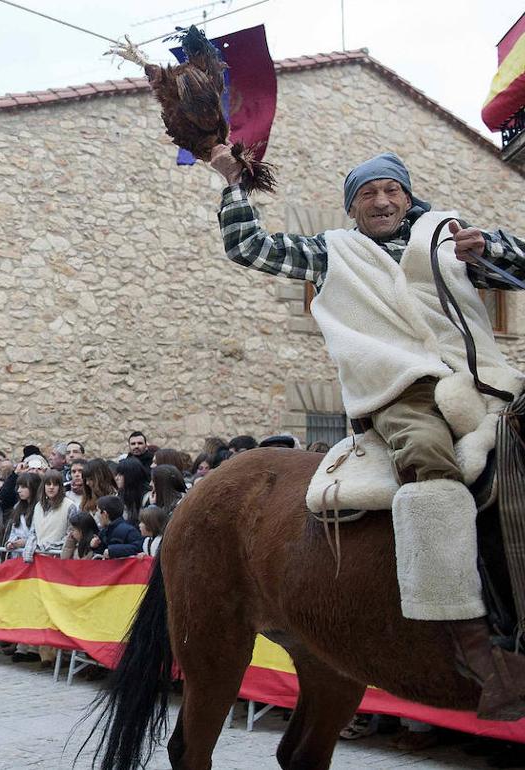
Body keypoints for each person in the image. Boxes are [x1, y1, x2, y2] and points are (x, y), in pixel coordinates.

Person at [211, 144, 525, 719]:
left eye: (391, 191)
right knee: (433, 466)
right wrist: (234, 182)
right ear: (352, 210)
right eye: (367, 194)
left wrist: (493, 247)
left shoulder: (447, 236)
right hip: (400, 388)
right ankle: (472, 639)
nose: (381, 201)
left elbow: (520, 269)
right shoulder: (334, 252)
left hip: (485, 376)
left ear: (407, 196)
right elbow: (249, 247)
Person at [32, 470, 77, 552]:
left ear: (60, 487)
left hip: (57, 557)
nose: (51, 487)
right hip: (39, 556)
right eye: (48, 484)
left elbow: (71, 534)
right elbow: (33, 533)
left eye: (55, 484)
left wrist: (49, 547)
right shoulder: (38, 506)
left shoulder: (69, 506)